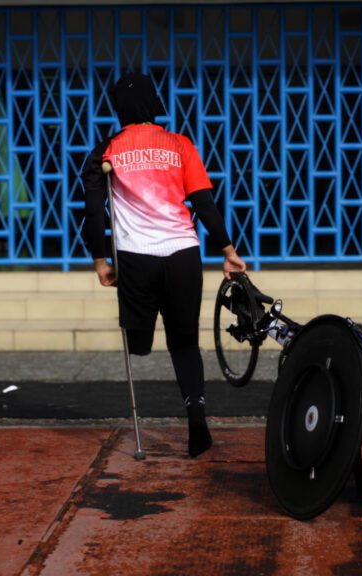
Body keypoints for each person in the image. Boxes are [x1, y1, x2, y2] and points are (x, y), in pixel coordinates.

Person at [81, 73, 246, 458]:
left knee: (138, 342)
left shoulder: (106, 151)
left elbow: (93, 211)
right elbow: (203, 203)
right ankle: (197, 419)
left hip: (136, 258)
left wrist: (100, 260)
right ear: (153, 104)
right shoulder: (179, 144)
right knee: (184, 342)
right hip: (183, 255)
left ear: (118, 108)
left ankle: (143, 337)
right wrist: (228, 250)